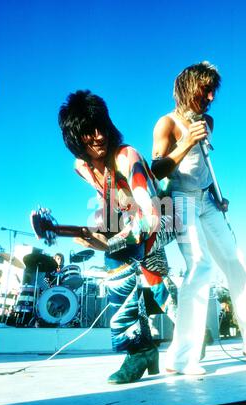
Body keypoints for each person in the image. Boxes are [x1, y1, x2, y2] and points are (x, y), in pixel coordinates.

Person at [151, 61, 246, 374]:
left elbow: (203, 168)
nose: (212, 97)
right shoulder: (167, 123)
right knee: (200, 265)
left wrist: (216, 194)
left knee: (236, 262)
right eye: (206, 90)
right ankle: (180, 357)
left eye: (214, 91)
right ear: (188, 88)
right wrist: (186, 141)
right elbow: (156, 169)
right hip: (181, 200)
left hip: (207, 201)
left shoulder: (208, 121)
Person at [58, 90, 175, 384]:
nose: (98, 136)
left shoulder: (126, 156)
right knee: (152, 278)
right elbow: (109, 206)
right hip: (132, 223)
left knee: (119, 259)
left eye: (101, 127)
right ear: (75, 138)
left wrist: (113, 240)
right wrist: (90, 234)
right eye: (87, 132)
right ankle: (176, 332)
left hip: (166, 216)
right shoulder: (82, 168)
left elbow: (151, 216)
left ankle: (138, 349)